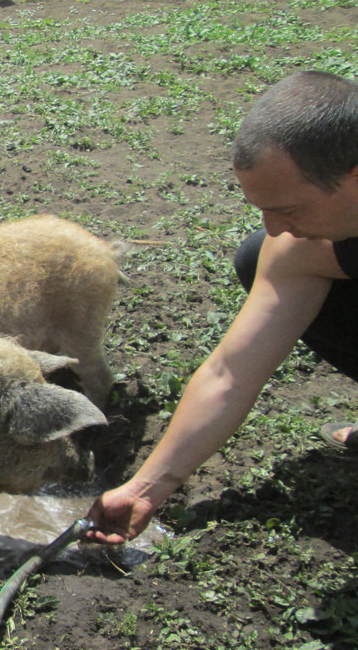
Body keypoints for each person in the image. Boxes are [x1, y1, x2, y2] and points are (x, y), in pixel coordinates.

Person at [85, 70, 358, 544]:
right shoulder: (302, 248)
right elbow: (229, 374)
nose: (275, 228)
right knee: (258, 256)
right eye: (263, 209)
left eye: (290, 210)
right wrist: (146, 489)